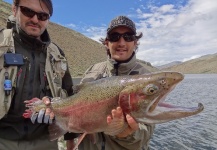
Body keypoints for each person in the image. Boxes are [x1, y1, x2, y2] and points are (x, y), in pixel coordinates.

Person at [0, 0, 77, 149]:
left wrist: (70, 138)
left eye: (42, 16)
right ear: (15, 9)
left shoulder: (57, 54)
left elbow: (70, 94)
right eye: (28, 11)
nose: (35, 19)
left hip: (45, 142)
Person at [72, 15, 155, 150]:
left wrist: (127, 133)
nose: (121, 43)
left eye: (128, 37)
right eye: (115, 36)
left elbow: (146, 134)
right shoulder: (92, 70)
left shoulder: (146, 80)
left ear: (135, 42)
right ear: (107, 42)